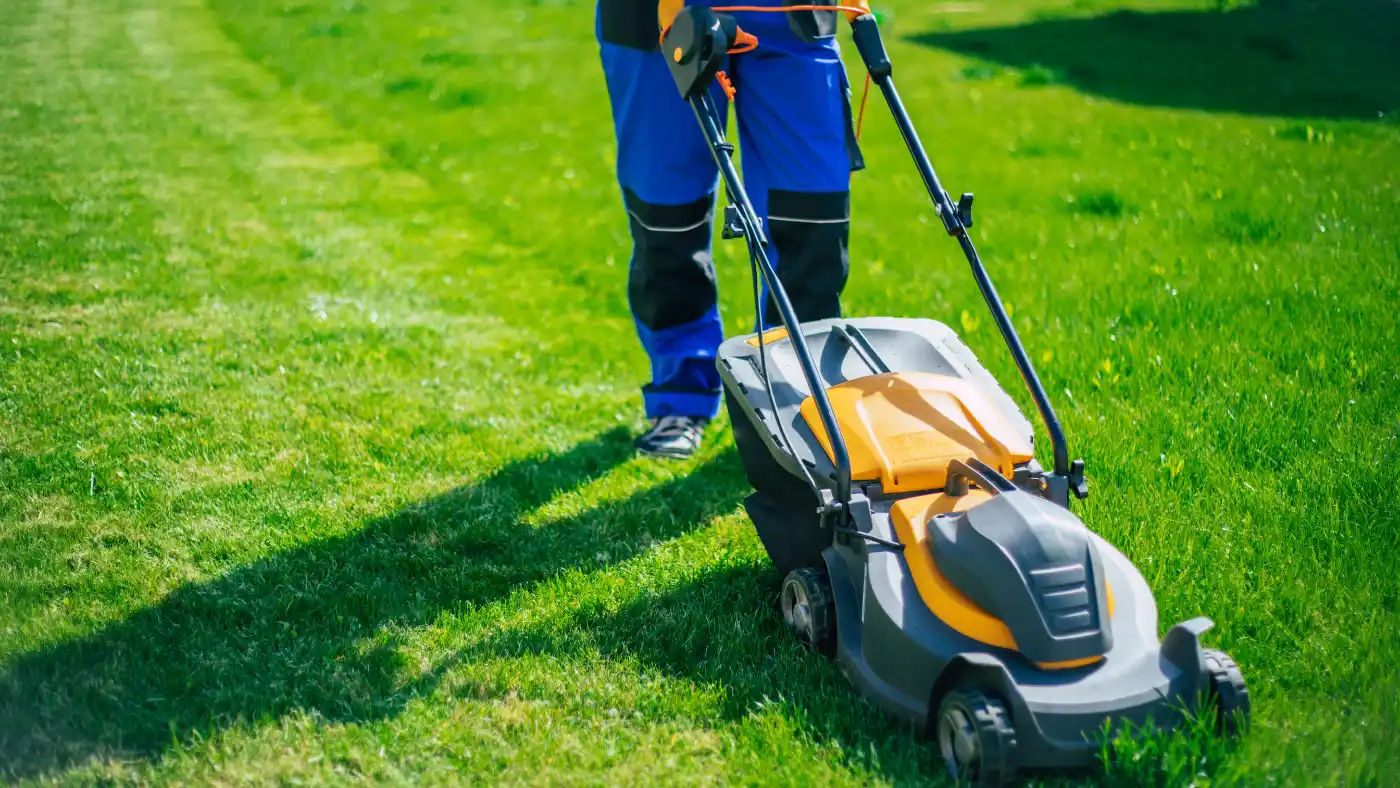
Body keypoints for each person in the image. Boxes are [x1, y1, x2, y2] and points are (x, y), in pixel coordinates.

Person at [596, 0, 865, 459]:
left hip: (792, 15)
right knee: (668, 213)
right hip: (655, 19)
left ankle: (800, 403)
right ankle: (681, 397)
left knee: (811, 215)